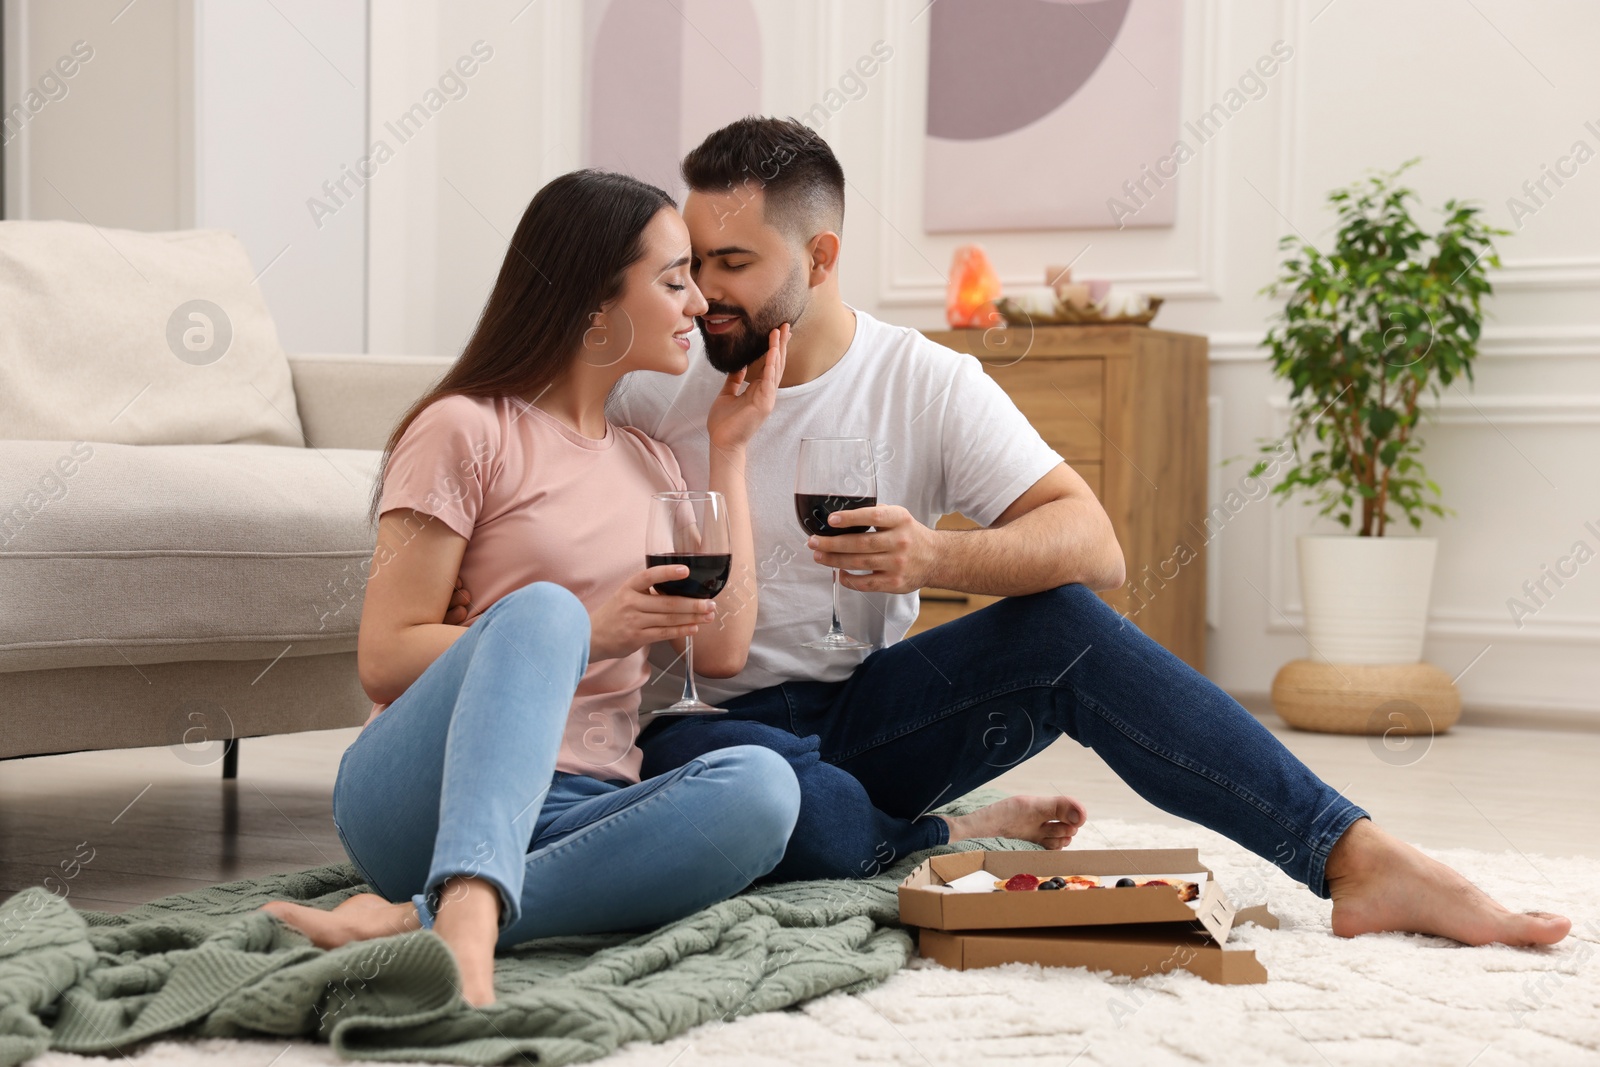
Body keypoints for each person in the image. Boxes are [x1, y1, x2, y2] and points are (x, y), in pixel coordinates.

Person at [592, 117, 1567, 949]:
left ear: (820, 257)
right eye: (693, 263)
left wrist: (938, 557)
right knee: (789, 808)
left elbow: (1095, 545)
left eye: (732, 263)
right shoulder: (652, 383)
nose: (705, 292)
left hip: (866, 711)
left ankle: (1352, 852)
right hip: (709, 732)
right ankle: (943, 832)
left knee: (1062, 623)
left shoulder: (921, 380)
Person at [260, 169, 799, 1007]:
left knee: (766, 790)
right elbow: (384, 655)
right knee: (546, 611)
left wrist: (729, 449)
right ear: (593, 302)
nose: (697, 302)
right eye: (672, 279)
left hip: (575, 805)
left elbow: (721, 647)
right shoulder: (466, 429)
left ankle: (420, 919)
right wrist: (580, 629)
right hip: (422, 792)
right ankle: (467, 920)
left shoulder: (654, 462)